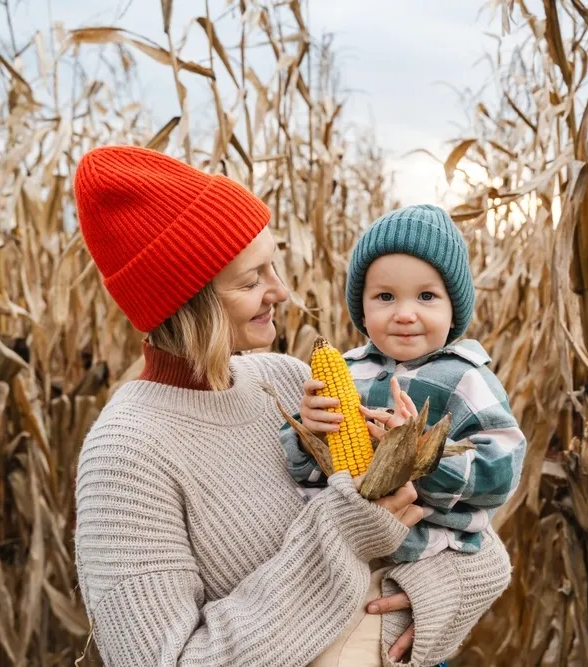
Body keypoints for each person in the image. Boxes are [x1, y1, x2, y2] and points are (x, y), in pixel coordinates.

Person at [71, 145, 512, 667]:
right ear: (187, 301)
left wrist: (428, 593)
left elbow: (480, 544)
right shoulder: (125, 456)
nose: (280, 291)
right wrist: (343, 532)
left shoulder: (286, 381)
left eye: (273, 264)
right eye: (251, 279)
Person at [281, 204, 526, 665]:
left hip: (417, 562)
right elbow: (301, 469)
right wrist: (305, 432)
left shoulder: (466, 378)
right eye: (385, 297)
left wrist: (417, 455)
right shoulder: (347, 370)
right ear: (361, 306)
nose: (405, 314)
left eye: (426, 296)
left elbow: (502, 472)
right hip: (337, 556)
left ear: (455, 308)